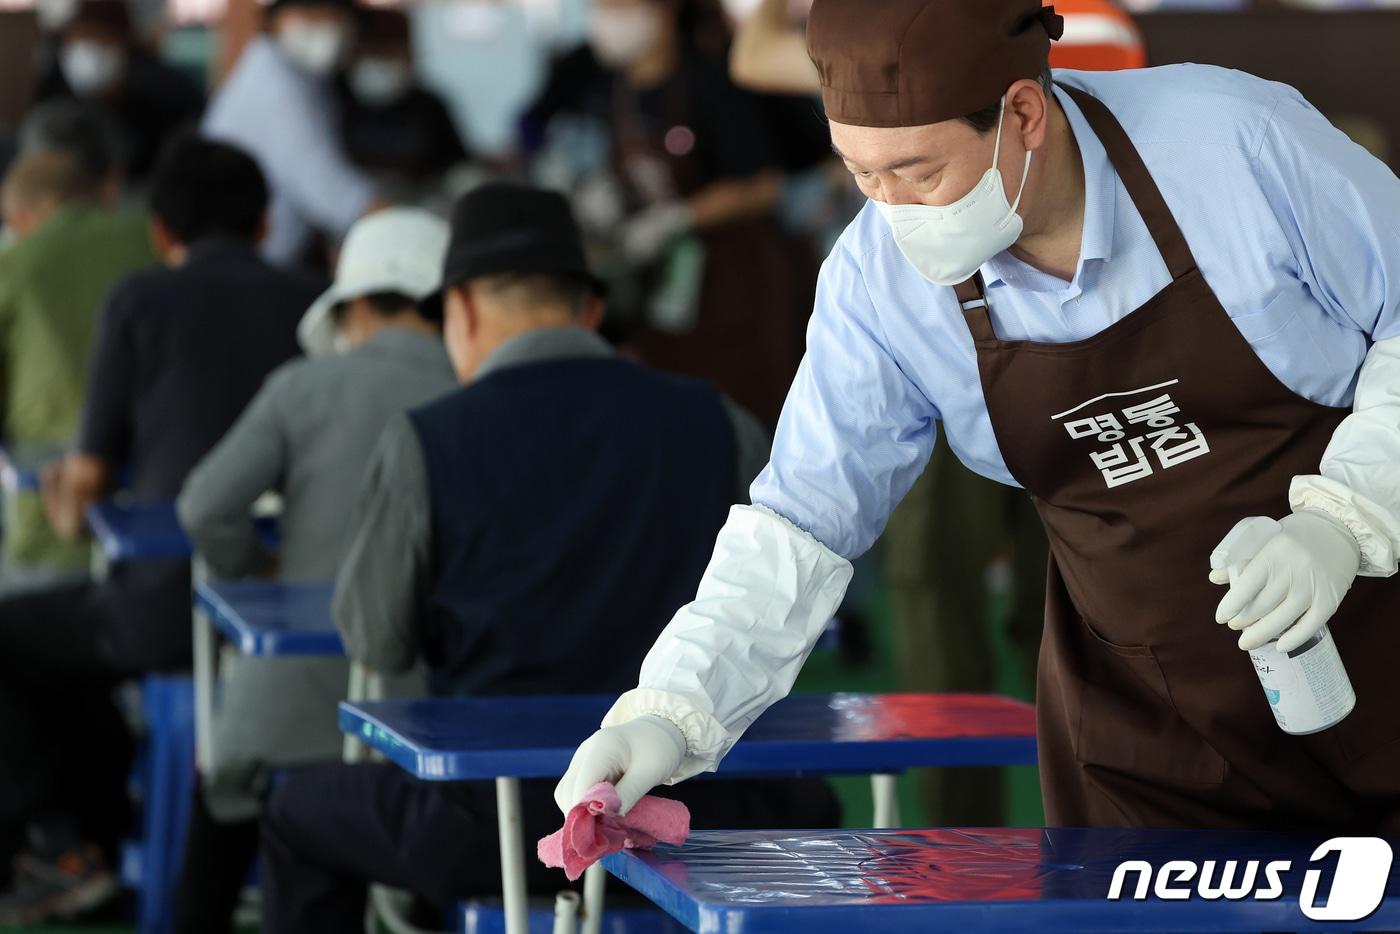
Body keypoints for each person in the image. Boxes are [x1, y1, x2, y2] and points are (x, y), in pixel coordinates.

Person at [557, 0, 1400, 837]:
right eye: (862, 173)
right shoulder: (877, 286)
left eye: (920, 173)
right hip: (1149, 738)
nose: (892, 208)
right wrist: (670, 712)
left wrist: (1343, 522)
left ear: (1023, 113)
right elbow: (801, 523)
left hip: (1380, 659)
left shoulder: (1232, 147)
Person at [257, 183, 837, 932]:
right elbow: (780, 607)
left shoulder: (426, 440)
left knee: (296, 812)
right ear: (591, 310)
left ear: (459, 311)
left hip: (495, 825)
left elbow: (376, 639)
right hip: (711, 815)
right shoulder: (719, 423)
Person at [0, 136, 319, 925]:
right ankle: (96, 841)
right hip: (297, 615)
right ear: (264, 223)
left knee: (18, 638)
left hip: (164, 613)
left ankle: (63, 842)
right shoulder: (314, 301)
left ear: (161, 230)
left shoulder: (140, 299)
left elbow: (89, 480)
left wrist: (66, 505)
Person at [172, 208, 454, 934]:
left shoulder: (302, 386)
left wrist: (258, 573)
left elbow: (205, 507)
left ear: (354, 304)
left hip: (284, 716)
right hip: (427, 719)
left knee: (219, 827)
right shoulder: (475, 394)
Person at [526, 0, 815, 425]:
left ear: (662, 11)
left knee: (745, 421)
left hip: (740, 291)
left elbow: (764, 185)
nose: (604, 19)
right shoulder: (611, 89)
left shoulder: (714, 81)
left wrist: (678, 218)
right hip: (665, 296)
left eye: (616, 7)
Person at [0, 104, 153, 595]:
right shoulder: (155, 241)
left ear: (25, 214)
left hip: (49, 526)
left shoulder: (17, 264)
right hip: (157, 527)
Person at [203, 0, 376, 267]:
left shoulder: (309, 78)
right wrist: (410, 227)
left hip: (267, 261)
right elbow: (332, 194)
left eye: (334, 13)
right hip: (250, 270)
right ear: (274, 18)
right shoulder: (275, 84)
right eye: (309, 11)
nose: (325, 22)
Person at [31, 0, 205, 181]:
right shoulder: (54, 86)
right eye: (79, 36)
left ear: (124, 42)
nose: (88, 46)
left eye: (99, 37)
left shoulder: (167, 90)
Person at [338, 7, 469, 189]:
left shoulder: (429, 107)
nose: (380, 61)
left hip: (416, 208)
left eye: (390, 52)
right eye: (373, 51)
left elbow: (457, 167)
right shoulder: (333, 100)